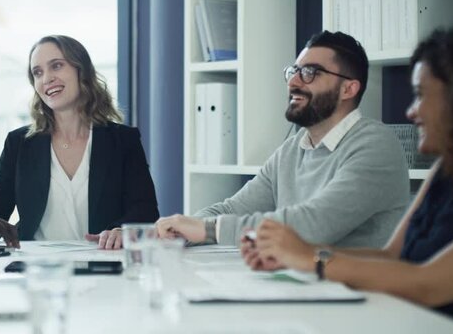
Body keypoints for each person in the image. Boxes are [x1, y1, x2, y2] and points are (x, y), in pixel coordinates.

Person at [242, 24, 453, 320]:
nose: (411, 111)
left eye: (421, 95)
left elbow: (428, 284)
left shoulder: (374, 143)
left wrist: (309, 258)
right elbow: (392, 256)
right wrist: (295, 258)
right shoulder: (443, 171)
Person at [156, 31, 409, 247]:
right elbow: (234, 208)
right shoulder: (292, 149)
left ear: (348, 89)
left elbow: (313, 224)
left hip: (359, 297)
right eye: (294, 71)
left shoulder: (376, 145)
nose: (294, 82)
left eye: (310, 72)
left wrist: (209, 230)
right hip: (301, 288)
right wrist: (181, 229)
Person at [0, 35, 159, 249]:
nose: (47, 78)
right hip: (36, 267)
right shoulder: (18, 143)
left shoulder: (123, 140)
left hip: (103, 262)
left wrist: (122, 231)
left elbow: (145, 211)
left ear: (81, 71)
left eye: (56, 66)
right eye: (38, 72)